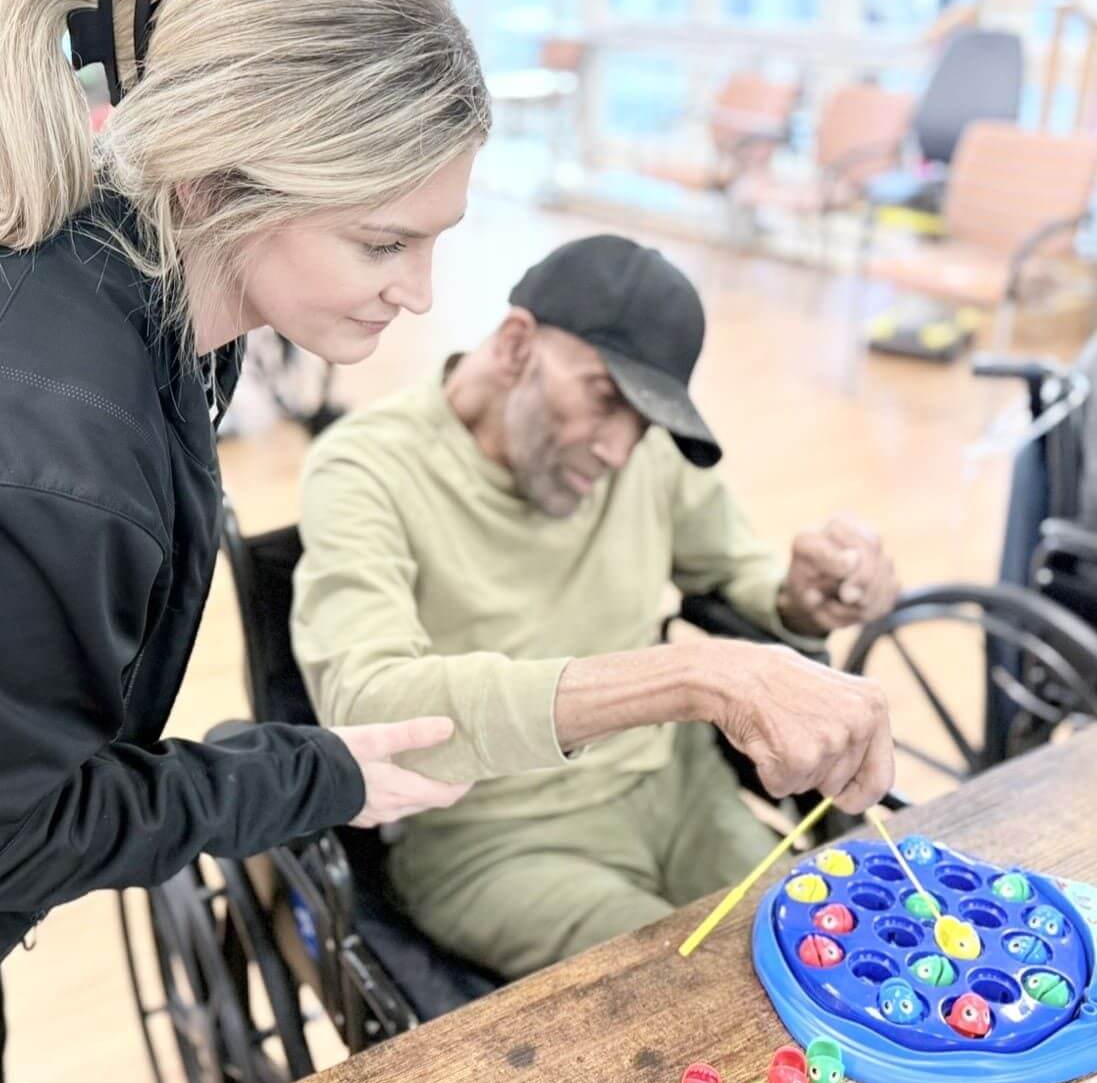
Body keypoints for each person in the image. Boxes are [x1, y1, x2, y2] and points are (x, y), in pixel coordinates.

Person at [0, 0, 488, 1083]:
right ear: (212, 182)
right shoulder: (43, 452)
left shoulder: (112, 283)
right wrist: (290, 779)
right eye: (384, 241)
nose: (422, 293)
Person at [292, 234, 900, 983]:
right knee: (711, 992)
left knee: (832, 949)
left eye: (643, 422)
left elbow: (734, 571)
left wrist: (799, 601)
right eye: (604, 398)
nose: (619, 449)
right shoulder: (366, 469)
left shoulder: (643, 453)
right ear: (516, 343)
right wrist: (683, 678)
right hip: (498, 838)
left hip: (676, 791)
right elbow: (368, 706)